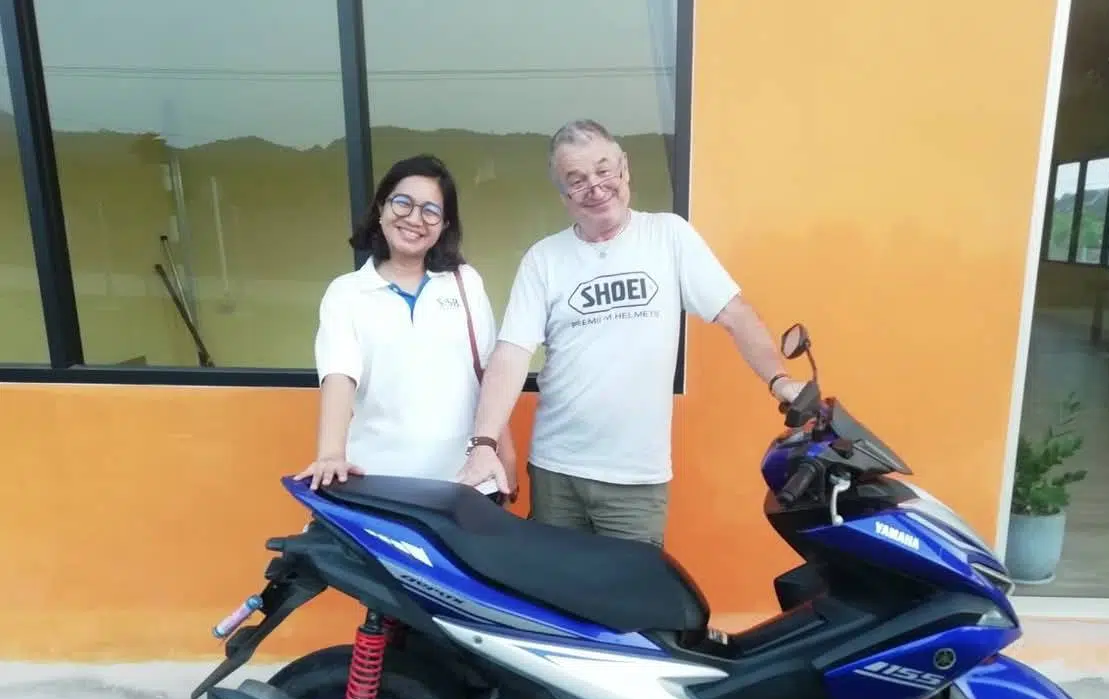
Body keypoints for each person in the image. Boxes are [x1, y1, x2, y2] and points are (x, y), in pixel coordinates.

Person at [455, 119, 803, 545]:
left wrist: (779, 380)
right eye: (577, 180)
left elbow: (735, 313)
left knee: (633, 588)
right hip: (556, 472)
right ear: (564, 196)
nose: (595, 187)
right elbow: (511, 354)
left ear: (625, 168)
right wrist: (484, 443)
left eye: (604, 170)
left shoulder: (669, 236)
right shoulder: (543, 259)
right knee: (554, 585)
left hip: (636, 480)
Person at [294, 154, 518, 503]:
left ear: (444, 225)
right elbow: (339, 375)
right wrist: (331, 453)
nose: (415, 219)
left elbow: (488, 374)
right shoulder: (346, 293)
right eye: (403, 203)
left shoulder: (465, 281)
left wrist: (505, 453)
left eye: (431, 211)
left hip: (467, 482)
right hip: (380, 484)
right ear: (381, 208)